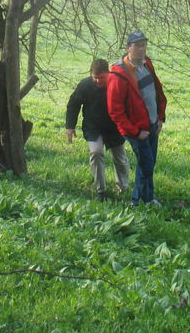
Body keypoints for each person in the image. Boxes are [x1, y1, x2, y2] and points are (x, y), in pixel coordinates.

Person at [107, 31, 167, 206]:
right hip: (137, 129)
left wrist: (160, 119)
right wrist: (135, 132)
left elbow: (156, 92)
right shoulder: (118, 74)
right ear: (128, 48)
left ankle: (148, 198)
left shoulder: (147, 64)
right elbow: (115, 111)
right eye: (137, 45)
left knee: (149, 164)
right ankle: (137, 202)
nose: (142, 49)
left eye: (143, 45)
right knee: (146, 164)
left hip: (152, 125)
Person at [66, 58, 130, 201]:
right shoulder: (85, 85)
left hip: (114, 127)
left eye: (102, 78)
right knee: (96, 152)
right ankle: (101, 190)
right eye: (95, 78)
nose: (98, 81)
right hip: (93, 127)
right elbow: (73, 105)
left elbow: (128, 104)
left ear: (108, 73)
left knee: (120, 158)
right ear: (91, 75)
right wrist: (70, 126)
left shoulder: (117, 84)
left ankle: (123, 187)